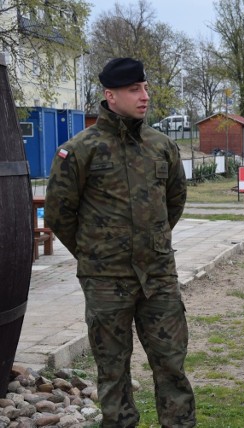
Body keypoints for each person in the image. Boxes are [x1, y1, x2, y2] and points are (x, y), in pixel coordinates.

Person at [45, 58, 196, 428]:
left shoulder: (161, 146)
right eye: (134, 90)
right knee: (112, 371)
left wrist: (153, 243)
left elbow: (174, 201)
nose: (144, 96)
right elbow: (59, 214)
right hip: (106, 281)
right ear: (110, 95)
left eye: (145, 88)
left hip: (158, 277)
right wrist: (96, 253)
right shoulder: (80, 150)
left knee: (172, 366)